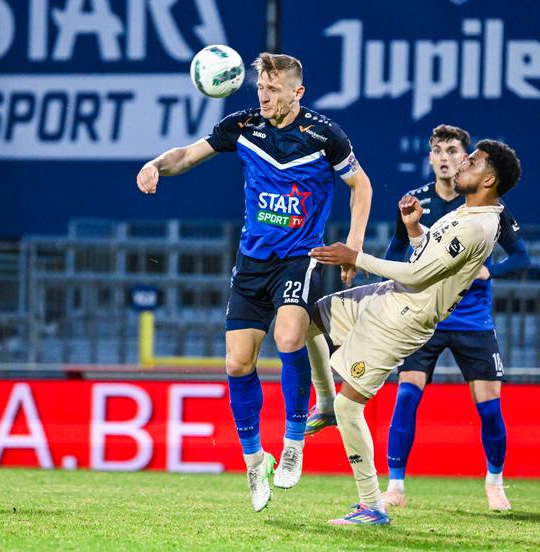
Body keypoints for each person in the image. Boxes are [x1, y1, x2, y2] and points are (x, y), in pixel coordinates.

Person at [136, 52, 372, 512]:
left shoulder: (325, 136)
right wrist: (154, 165)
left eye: (274, 88)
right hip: (251, 263)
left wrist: (354, 245)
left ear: (297, 92)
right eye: (260, 87)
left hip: (297, 258)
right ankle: (252, 459)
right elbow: (185, 155)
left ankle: (293, 442)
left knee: (289, 337)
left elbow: (360, 186)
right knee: (237, 364)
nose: (264, 95)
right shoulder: (242, 127)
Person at [307, 125, 530, 512]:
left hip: (404, 320)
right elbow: (427, 255)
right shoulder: (469, 210)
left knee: (351, 407)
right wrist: (414, 229)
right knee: (306, 320)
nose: (461, 162)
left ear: (489, 179)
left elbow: (418, 274)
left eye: (471, 160)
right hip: (390, 299)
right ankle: (324, 402)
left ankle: (371, 507)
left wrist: (354, 257)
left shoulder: (477, 224)